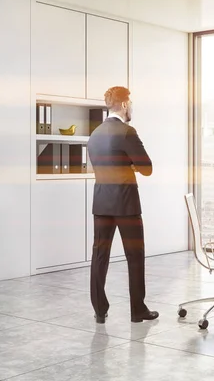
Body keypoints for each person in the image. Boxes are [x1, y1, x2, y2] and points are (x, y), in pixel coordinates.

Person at [87, 86, 158, 324]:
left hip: (101, 203)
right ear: (125, 104)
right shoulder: (127, 132)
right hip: (126, 205)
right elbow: (147, 167)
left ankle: (99, 310)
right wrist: (133, 165)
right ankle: (137, 310)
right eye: (132, 103)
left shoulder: (94, 134)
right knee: (135, 256)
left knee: (99, 256)